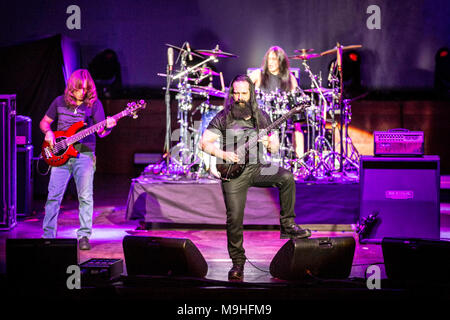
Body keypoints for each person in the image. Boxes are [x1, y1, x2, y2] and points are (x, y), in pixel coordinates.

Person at [200, 74, 311, 282]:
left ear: (251, 93)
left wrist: (271, 145)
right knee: (234, 219)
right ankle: (237, 264)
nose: (240, 97)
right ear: (232, 94)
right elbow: (204, 143)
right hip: (232, 170)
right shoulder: (223, 116)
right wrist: (224, 155)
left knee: (286, 177)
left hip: (257, 167)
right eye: (236, 93)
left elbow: (275, 144)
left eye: (244, 93)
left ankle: (288, 225)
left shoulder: (261, 116)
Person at [40, 69, 116, 250]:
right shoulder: (59, 101)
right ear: (71, 88)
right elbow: (44, 122)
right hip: (59, 154)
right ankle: (48, 236)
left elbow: (101, 132)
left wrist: (109, 126)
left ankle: (84, 236)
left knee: (85, 197)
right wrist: (48, 133)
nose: (82, 92)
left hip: (85, 154)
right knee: (53, 196)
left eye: (85, 88)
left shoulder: (94, 105)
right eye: (79, 88)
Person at [249, 46, 305, 159]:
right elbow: (242, 87)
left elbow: (295, 101)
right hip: (262, 116)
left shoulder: (290, 78)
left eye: (274, 59)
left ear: (281, 61)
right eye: (269, 59)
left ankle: (300, 161)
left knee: (297, 126)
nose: (270, 62)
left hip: (282, 116)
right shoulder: (258, 75)